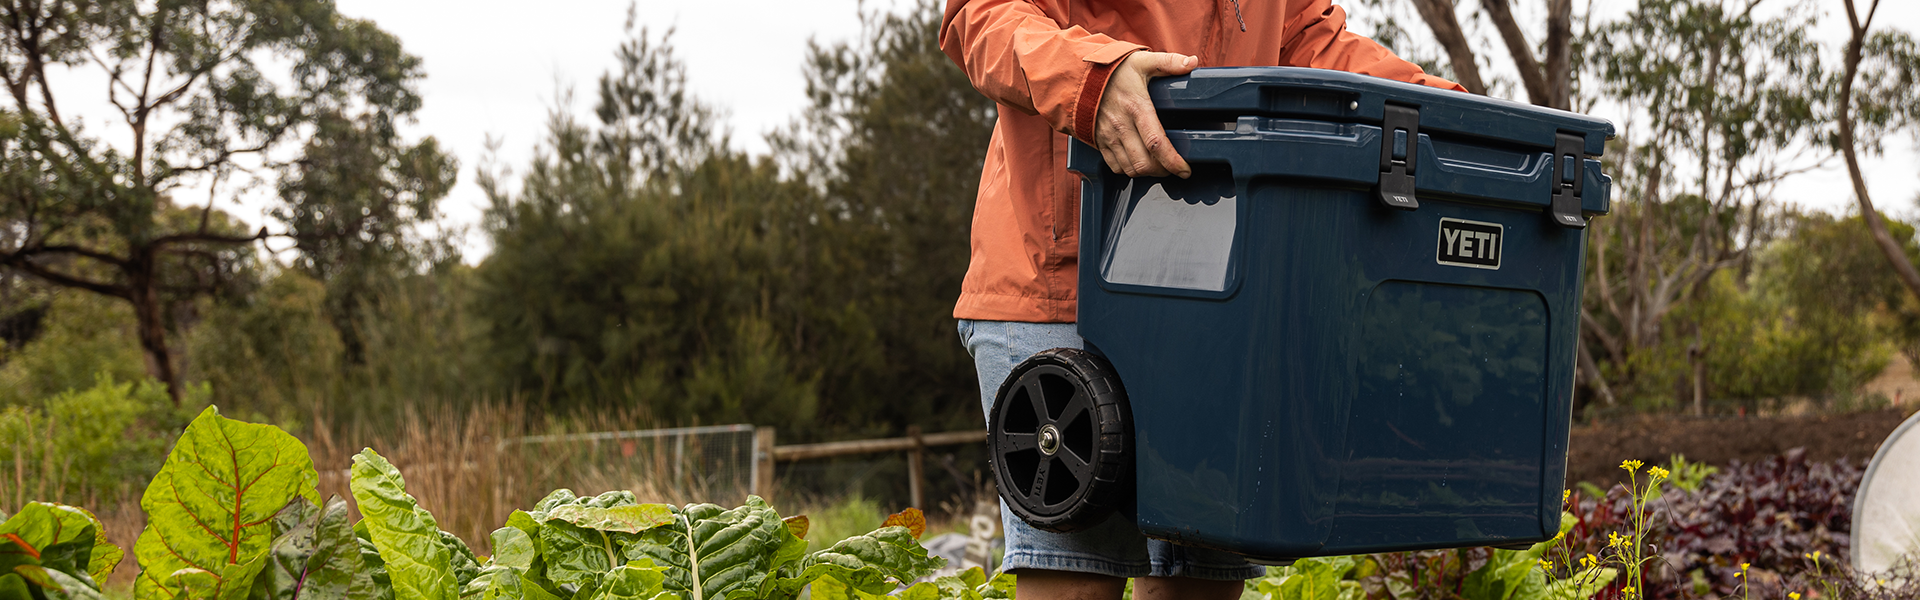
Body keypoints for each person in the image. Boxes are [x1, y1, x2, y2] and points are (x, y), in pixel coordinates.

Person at [940, 1, 1466, 600]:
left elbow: (1314, 44)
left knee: (1197, 587)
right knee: (1076, 586)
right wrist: (1093, 79)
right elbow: (983, 17)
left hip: (1214, 288)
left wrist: (1457, 113)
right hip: (1065, 279)